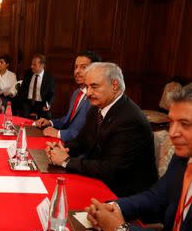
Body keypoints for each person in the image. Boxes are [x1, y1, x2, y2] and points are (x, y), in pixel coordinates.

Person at [86, 83, 192, 231]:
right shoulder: (183, 158)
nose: (172, 133)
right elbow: (156, 198)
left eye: (185, 124)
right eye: (171, 122)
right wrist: (115, 208)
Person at [46, 62, 157, 197]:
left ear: (114, 86)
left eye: (94, 87)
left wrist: (66, 161)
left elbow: (110, 169)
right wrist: (61, 149)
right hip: (98, 179)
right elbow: (81, 141)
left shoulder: (130, 119)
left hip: (123, 194)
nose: (88, 93)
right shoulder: (96, 110)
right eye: (87, 87)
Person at [35, 50, 101, 142]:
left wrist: (58, 133)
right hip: (65, 142)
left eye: (83, 67)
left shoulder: (96, 98)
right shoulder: (77, 93)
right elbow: (67, 120)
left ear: (95, 70)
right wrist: (50, 122)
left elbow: (88, 134)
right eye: (76, 67)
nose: (77, 71)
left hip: (77, 149)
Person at [16, 53, 55, 119]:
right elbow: (22, 90)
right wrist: (21, 101)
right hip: (27, 103)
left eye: (34, 65)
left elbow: (51, 94)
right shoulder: (28, 74)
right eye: (31, 64)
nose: (31, 66)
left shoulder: (49, 78)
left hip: (41, 104)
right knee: (22, 115)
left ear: (42, 66)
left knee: (47, 118)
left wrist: (48, 104)